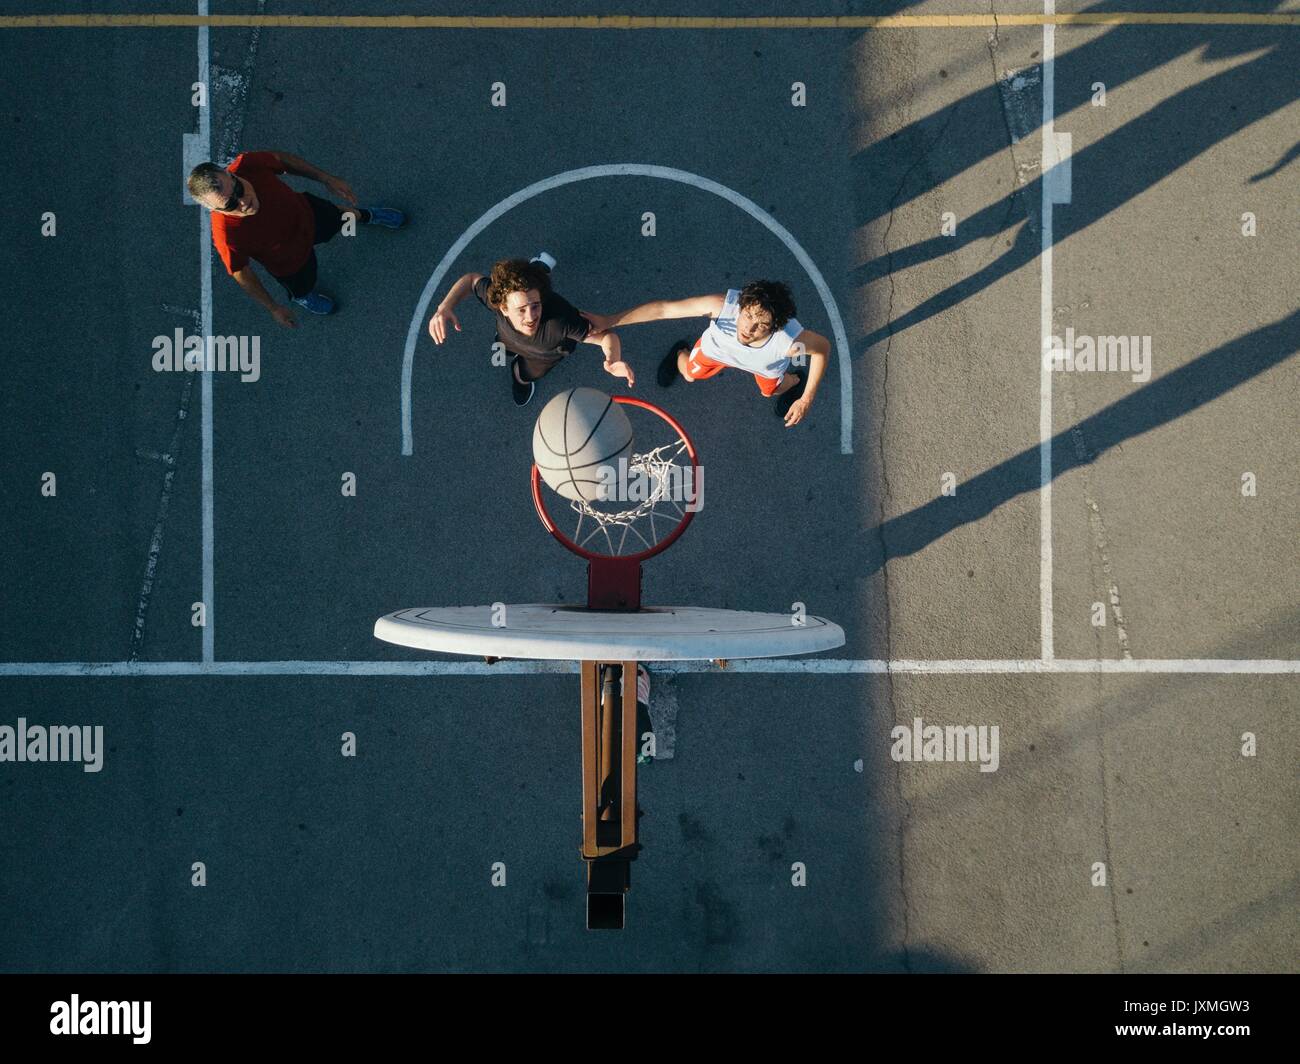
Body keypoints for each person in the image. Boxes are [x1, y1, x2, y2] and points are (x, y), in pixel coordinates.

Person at [187, 151, 405, 327]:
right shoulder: (227, 236)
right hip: (292, 263)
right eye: (230, 205)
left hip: (308, 215)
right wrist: (273, 307)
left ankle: (368, 216)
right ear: (214, 210)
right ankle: (303, 296)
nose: (243, 202)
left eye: (239, 189)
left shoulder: (249, 164)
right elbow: (240, 272)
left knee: (343, 216)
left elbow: (281, 161)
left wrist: (325, 178)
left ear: (231, 174)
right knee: (303, 285)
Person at [584, 280, 828, 427]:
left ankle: (796, 380)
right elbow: (662, 310)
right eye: (748, 315)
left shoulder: (788, 340)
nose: (748, 328)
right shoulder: (722, 306)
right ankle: (680, 351)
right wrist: (611, 320)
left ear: (775, 327)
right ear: (742, 305)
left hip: (762, 365)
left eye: (761, 325)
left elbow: (822, 349)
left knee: (771, 391)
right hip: (716, 353)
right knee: (690, 373)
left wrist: (805, 399)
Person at [427, 255, 634, 406]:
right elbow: (472, 280)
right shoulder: (497, 297)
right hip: (508, 338)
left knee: (522, 375)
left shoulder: (561, 321)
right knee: (504, 343)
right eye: (521, 310)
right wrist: (444, 307)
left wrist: (613, 358)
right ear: (503, 308)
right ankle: (536, 268)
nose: (531, 317)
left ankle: (537, 269)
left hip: (543, 356)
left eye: (536, 305)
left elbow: (606, 335)